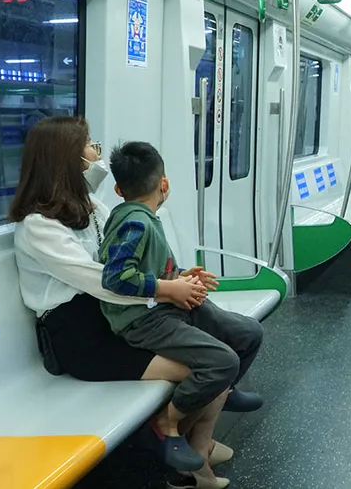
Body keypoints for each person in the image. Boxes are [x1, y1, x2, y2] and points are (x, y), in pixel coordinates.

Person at [10, 117, 255, 489]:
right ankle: (183, 465)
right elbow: (102, 280)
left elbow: (132, 267)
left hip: (117, 316)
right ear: (68, 160)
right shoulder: (38, 226)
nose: (96, 153)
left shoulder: (90, 206)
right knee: (210, 365)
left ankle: (197, 448)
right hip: (82, 338)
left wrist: (176, 278)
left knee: (220, 352)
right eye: (90, 146)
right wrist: (167, 289)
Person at [98, 141, 263, 478]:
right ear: (165, 184)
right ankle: (166, 422)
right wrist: (168, 288)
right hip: (144, 319)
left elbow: (150, 269)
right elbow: (116, 277)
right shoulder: (135, 224)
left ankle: (224, 389)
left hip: (164, 305)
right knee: (223, 361)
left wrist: (181, 277)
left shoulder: (144, 218)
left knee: (248, 333)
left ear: (118, 189)